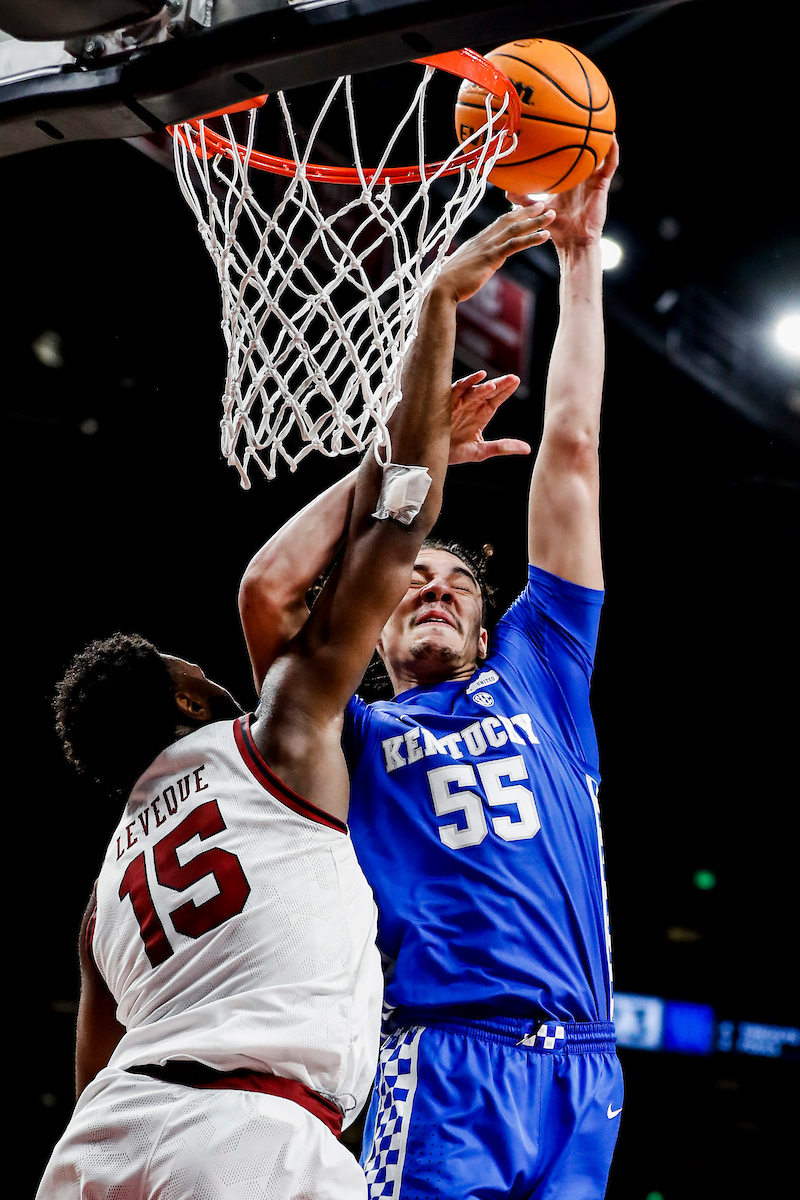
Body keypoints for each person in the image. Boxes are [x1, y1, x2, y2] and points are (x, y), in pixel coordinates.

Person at [34, 202, 556, 1200]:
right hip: (252, 1136)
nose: (208, 669)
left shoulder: (105, 896)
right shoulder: (274, 737)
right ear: (185, 697)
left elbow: (92, 1076)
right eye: (191, 666)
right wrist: (436, 308)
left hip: (99, 1143)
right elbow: (398, 520)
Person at [238, 139, 621, 1198]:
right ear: (373, 635)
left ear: (490, 627)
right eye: (410, 582)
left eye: (454, 582)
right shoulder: (346, 732)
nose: (433, 589)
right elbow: (269, 593)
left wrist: (580, 266)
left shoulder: (541, 673)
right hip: (443, 1060)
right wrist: (397, 465)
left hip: (583, 1069)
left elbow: (571, 451)